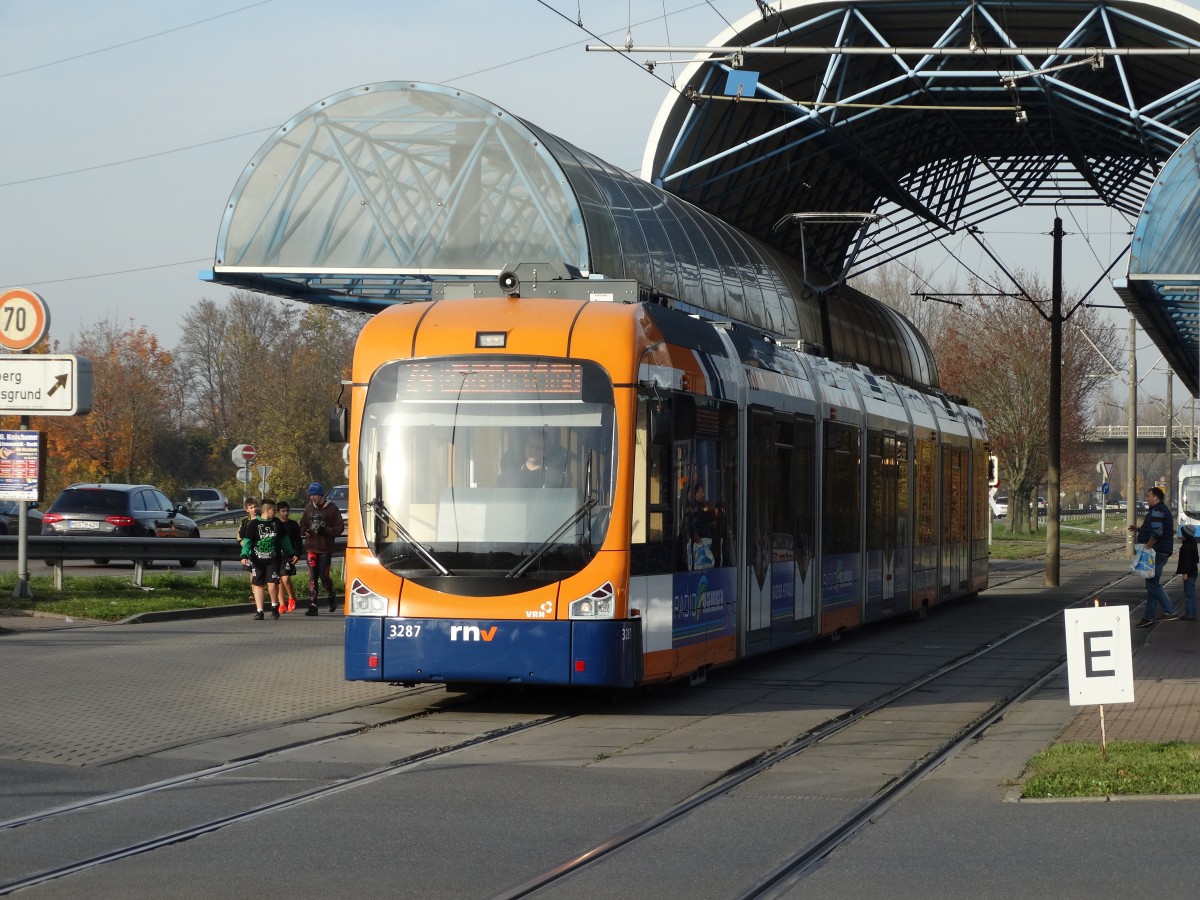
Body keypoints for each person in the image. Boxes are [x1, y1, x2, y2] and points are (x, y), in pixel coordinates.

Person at [240, 499, 297, 620]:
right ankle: (259, 611)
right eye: (274, 510)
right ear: (267, 510)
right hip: (257, 559)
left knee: (272, 584)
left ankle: (274, 606)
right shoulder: (254, 524)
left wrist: (291, 553)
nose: (275, 512)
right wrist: (244, 555)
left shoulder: (276, 523)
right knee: (258, 584)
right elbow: (248, 542)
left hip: (273, 559)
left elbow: (284, 540)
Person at [1129, 486, 1178, 627]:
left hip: (1157, 551)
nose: (1147, 498)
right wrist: (1140, 529)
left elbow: (1157, 531)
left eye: (1148, 496)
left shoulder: (1157, 510)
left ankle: (1170, 611)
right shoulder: (1158, 510)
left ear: (1156, 497)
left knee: (1152, 584)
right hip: (1159, 550)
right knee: (1151, 583)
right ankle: (1149, 617)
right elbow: (1155, 527)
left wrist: (1148, 546)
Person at [300, 482, 345, 615]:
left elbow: (340, 528)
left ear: (321, 494)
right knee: (313, 577)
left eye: (314, 494)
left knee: (323, 576)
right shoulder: (309, 508)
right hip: (311, 548)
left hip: (325, 548)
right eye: (310, 495)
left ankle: (331, 595)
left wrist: (325, 530)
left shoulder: (332, 509)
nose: (312, 497)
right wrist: (305, 531)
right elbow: (302, 525)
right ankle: (313, 605)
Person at [499, 431, 563, 487]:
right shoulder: (508, 475)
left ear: (546, 451)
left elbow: (568, 498)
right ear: (525, 447)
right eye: (530, 446)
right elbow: (494, 497)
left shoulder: (556, 478)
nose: (534, 450)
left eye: (539, 447)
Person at [276, 500, 303, 612]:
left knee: (286, 578)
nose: (285, 513)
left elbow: (298, 541)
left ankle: (291, 598)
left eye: (287, 511)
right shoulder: (275, 524)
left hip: (289, 555)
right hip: (277, 555)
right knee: (279, 581)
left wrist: (297, 554)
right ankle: (281, 604)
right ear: (278, 512)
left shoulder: (293, 524)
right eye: (283, 511)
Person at [1178, 523, 1198, 621]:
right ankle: (1191, 613)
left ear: (1186, 535)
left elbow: (1187, 560)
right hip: (1193, 572)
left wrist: (1185, 573)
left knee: (1188, 594)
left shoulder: (1187, 546)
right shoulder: (1193, 543)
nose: (1181, 536)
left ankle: (1190, 614)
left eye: (1183, 534)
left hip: (1189, 573)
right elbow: (1196, 560)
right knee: (1190, 593)